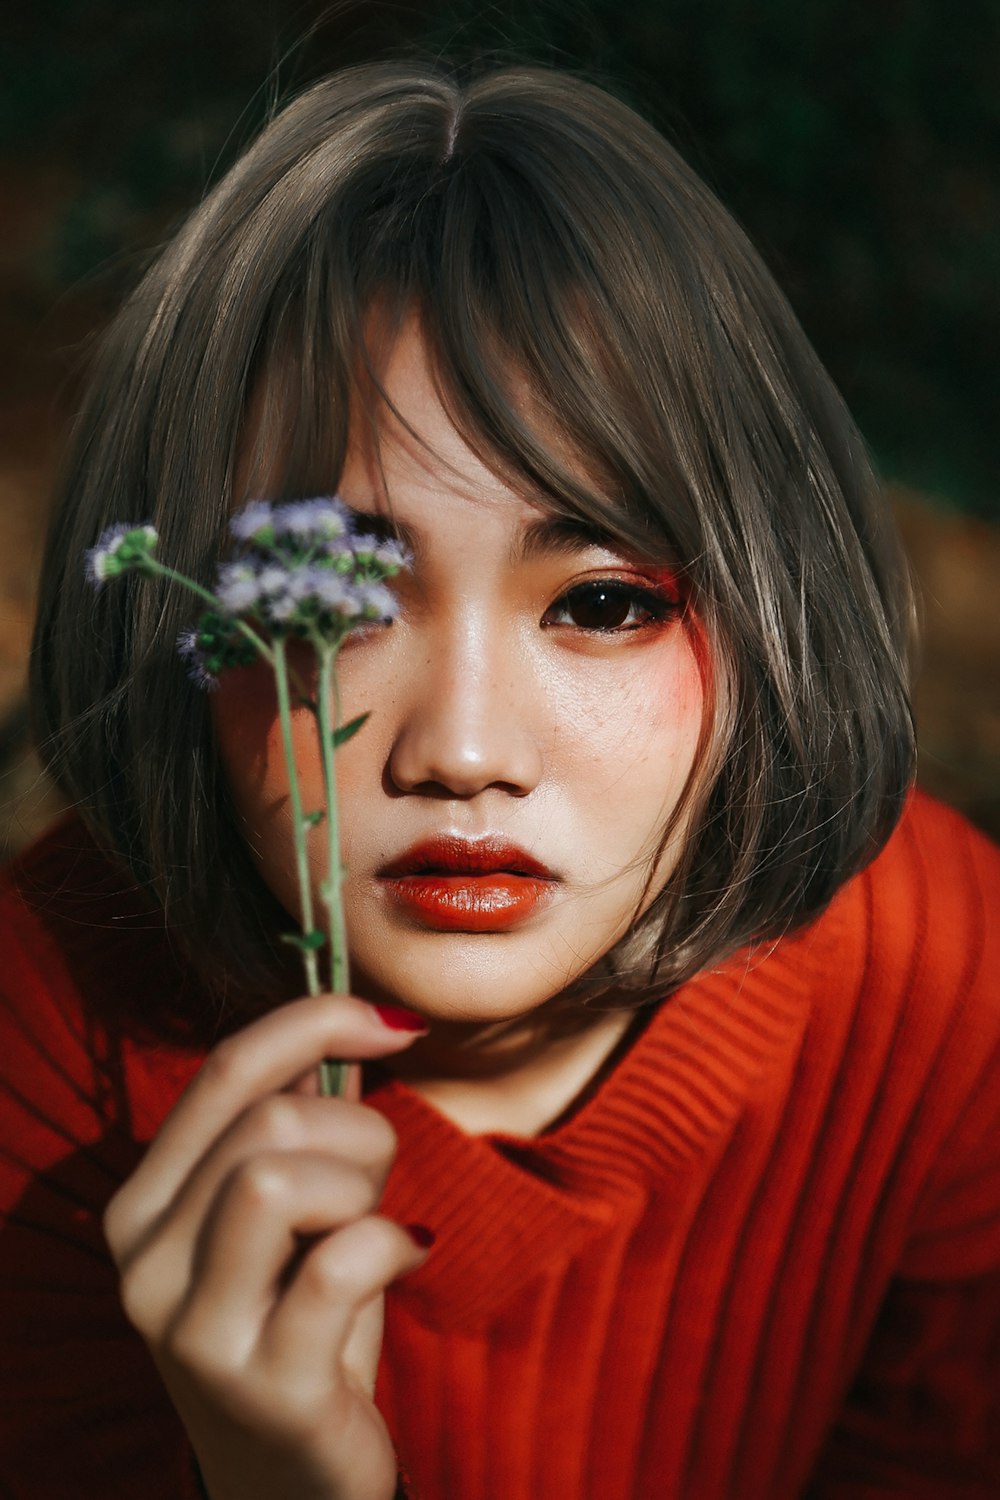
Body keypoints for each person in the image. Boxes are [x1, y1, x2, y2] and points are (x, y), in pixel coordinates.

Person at [1, 59, 997, 1500]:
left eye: (601, 604)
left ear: (777, 617)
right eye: (334, 602)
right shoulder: (51, 1045)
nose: (462, 750)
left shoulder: (935, 983)